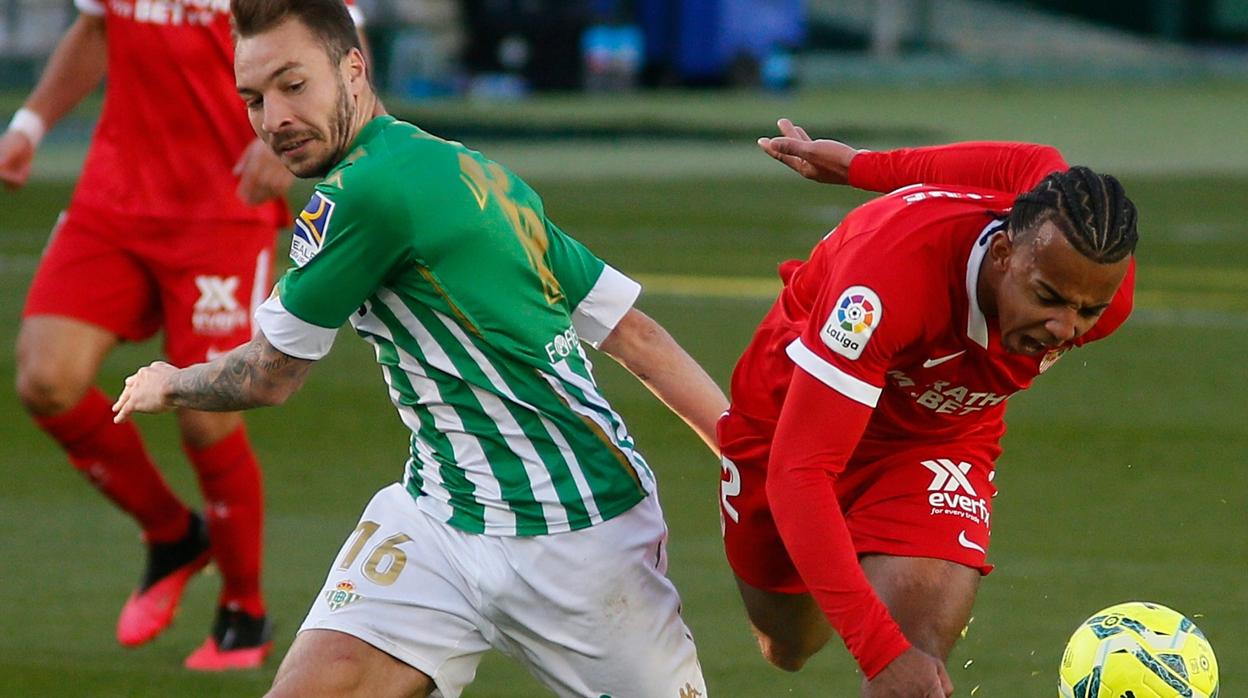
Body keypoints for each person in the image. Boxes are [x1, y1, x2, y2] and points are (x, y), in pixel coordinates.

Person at [114, 1, 725, 696]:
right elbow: (635, 333)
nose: (274, 118)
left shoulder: (363, 192)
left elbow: (268, 376)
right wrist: (743, 454)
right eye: (252, 99)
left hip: (572, 533)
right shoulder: (473, 169)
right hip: (439, 512)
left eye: (293, 85)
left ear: (353, 69)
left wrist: (171, 381)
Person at [1, 0, 363, 671]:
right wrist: (29, 124)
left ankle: (244, 612)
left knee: (205, 411)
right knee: (46, 380)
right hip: (113, 198)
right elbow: (95, 28)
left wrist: (289, 147)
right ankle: (172, 535)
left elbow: (339, 47)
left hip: (221, 207)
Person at [717, 120, 1138, 697]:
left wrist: (891, 656)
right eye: (1047, 298)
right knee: (789, 645)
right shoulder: (883, 285)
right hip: (797, 406)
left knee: (913, 657)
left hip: (938, 434)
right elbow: (799, 471)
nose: (1065, 328)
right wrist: (863, 169)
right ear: (1002, 253)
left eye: (1087, 312)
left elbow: (1031, 160)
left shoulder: (1092, 274)